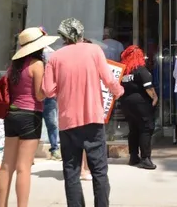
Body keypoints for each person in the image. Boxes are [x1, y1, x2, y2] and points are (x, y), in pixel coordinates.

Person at [43, 18, 123, 207]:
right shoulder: (94, 51)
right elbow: (109, 80)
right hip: (93, 119)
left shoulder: (55, 57)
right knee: (99, 171)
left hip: (68, 122)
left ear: (63, 36)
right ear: (81, 33)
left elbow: (48, 90)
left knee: (71, 172)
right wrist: (119, 91)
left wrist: (63, 89)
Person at [0, 27, 56, 207]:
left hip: (11, 114)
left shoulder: (13, 66)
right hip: (30, 116)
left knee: (7, 165)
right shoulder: (37, 65)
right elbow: (40, 95)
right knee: (24, 168)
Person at [118, 45, 158, 170]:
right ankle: (146, 158)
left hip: (126, 104)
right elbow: (148, 87)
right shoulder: (141, 70)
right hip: (141, 104)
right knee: (146, 129)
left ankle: (133, 157)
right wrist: (155, 98)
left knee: (133, 129)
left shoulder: (123, 72)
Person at [42, 45, 61, 161]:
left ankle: (54, 148)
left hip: (49, 96)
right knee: (34, 125)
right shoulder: (31, 59)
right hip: (37, 96)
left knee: (52, 123)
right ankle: (29, 152)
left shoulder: (51, 54)